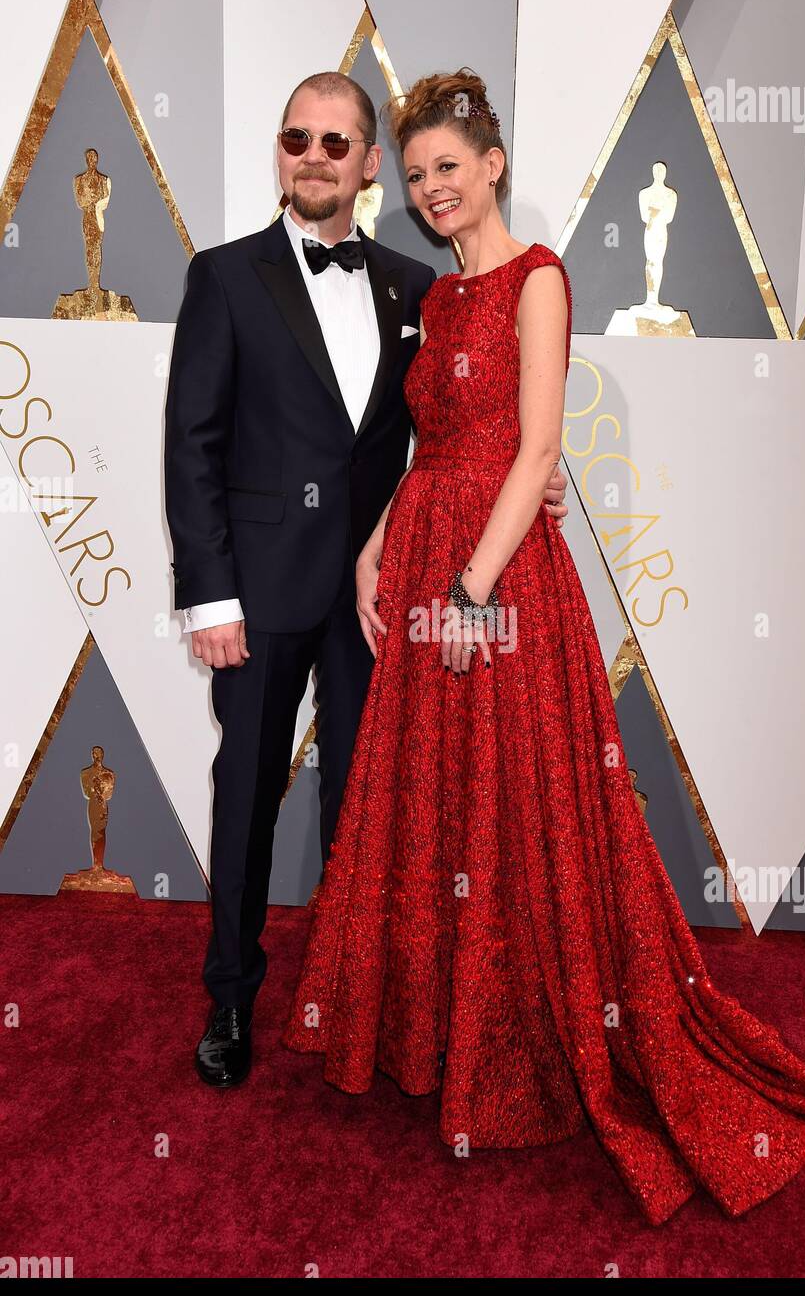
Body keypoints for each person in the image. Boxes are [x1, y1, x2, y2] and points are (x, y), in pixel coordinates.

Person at [280, 68, 805, 1227]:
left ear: (493, 168)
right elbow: (429, 445)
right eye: (420, 171)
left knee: (518, 806)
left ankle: (532, 1042)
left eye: (453, 166)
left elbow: (536, 451)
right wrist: (374, 545)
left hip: (496, 577)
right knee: (435, 804)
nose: (435, 187)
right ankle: (442, 1037)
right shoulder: (435, 305)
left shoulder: (540, 281)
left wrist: (472, 589)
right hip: (433, 545)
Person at [163, 69, 574, 1088]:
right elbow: (191, 445)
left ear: (365, 166)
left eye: (334, 143)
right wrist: (210, 595)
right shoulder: (222, 276)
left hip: (384, 598)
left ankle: (365, 1003)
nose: (312, 155)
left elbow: (452, 427)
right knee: (246, 795)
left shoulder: (416, 287)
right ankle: (230, 998)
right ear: (281, 151)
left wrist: (539, 465)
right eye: (295, 137)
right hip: (258, 596)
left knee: (376, 807)